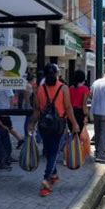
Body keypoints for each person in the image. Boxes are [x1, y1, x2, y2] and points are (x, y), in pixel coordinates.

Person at [28, 63, 80, 197]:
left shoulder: (39, 89)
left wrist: (31, 123)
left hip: (43, 125)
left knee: (49, 149)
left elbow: (36, 110)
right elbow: (68, 108)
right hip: (58, 124)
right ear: (57, 74)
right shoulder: (63, 88)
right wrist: (74, 123)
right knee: (55, 151)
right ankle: (47, 179)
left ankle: (54, 174)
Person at [69, 69, 90, 134]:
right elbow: (84, 104)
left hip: (71, 112)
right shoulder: (85, 89)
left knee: (72, 133)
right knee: (79, 135)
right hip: (80, 113)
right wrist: (86, 116)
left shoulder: (70, 88)